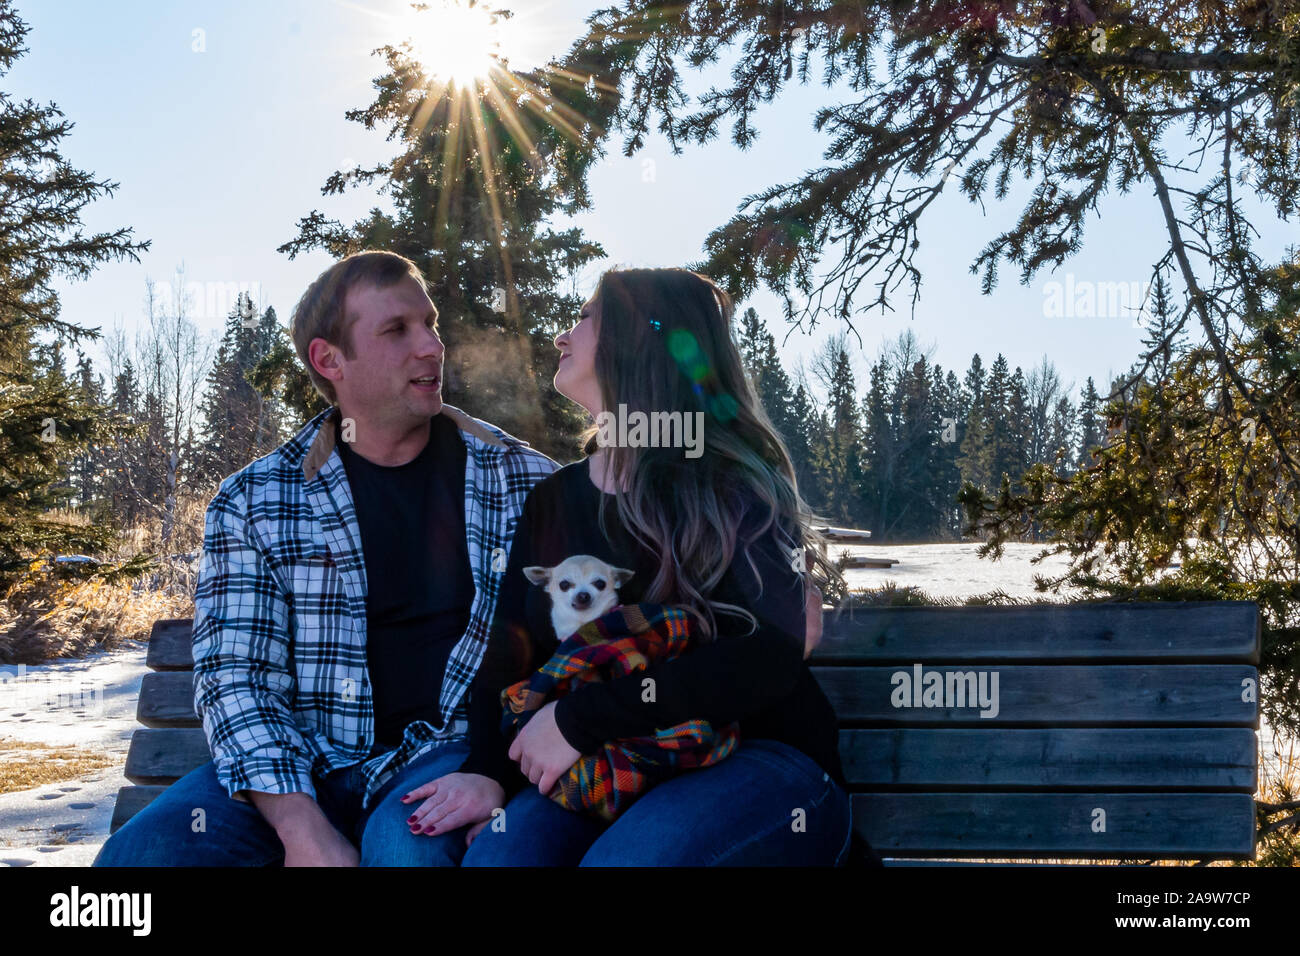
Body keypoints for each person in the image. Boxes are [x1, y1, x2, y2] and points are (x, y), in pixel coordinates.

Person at [93, 250, 557, 866]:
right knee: (143, 856)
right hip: (300, 764)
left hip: (445, 756)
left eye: (431, 324)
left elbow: (578, 643)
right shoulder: (257, 500)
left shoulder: (522, 482)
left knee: (409, 853)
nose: (431, 346)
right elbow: (238, 678)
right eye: (397, 330)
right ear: (328, 359)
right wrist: (300, 827)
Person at [401, 267, 857, 865]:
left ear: (638, 339)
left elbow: (770, 651)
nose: (563, 336)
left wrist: (580, 719)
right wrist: (487, 771)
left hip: (760, 756)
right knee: (501, 859)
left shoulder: (726, 485)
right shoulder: (555, 500)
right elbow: (509, 652)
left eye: (586, 317)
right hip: (610, 765)